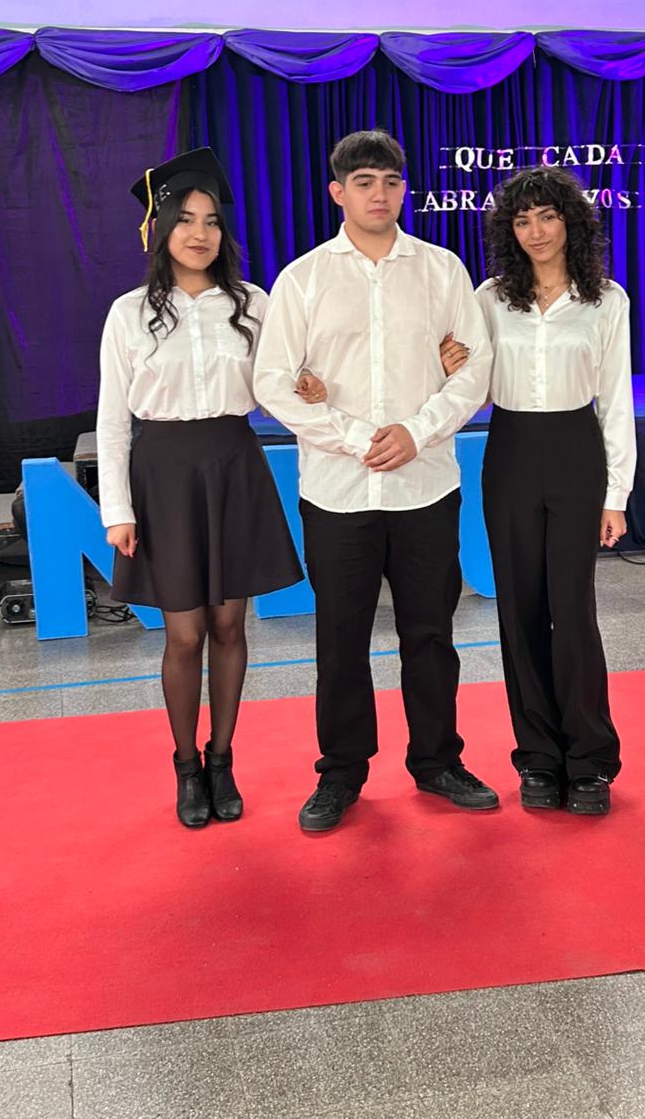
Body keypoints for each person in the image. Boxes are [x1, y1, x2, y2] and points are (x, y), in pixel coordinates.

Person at [253, 129, 496, 833]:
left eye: (390, 181)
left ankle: (438, 761)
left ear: (404, 189)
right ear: (338, 192)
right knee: (340, 639)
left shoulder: (442, 270)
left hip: (425, 484)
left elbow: (475, 370)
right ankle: (341, 772)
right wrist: (360, 438)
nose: (379, 194)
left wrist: (417, 430)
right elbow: (273, 382)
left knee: (431, 633)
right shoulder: (302, 279)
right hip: (338, 490)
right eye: (363, 182)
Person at [96, 148, 303, 829]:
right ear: (160, 230)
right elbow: (112, 419)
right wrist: (118, 510)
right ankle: (186, 764)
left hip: (233, 464)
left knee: (229, 624)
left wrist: (316, 386)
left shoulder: (252, 304)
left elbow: (288, 381)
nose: (200, 233)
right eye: (185, 219)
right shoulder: (129, 313)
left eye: (211, 221)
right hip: (162, 473)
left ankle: (222, 759)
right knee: (184, 634)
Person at [472, 165, 636, 816]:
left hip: (575, 453)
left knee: (571, 611)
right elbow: (466, 383)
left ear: (570, 221)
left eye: (547, 216)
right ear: (509, 231)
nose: (536, 231)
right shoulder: (490, 298)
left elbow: (616, 400)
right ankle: (538, 757)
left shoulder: (607, 300)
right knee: (519, 611)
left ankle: (590, 761)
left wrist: (616, 493)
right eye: (522, 220)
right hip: (510, 450)